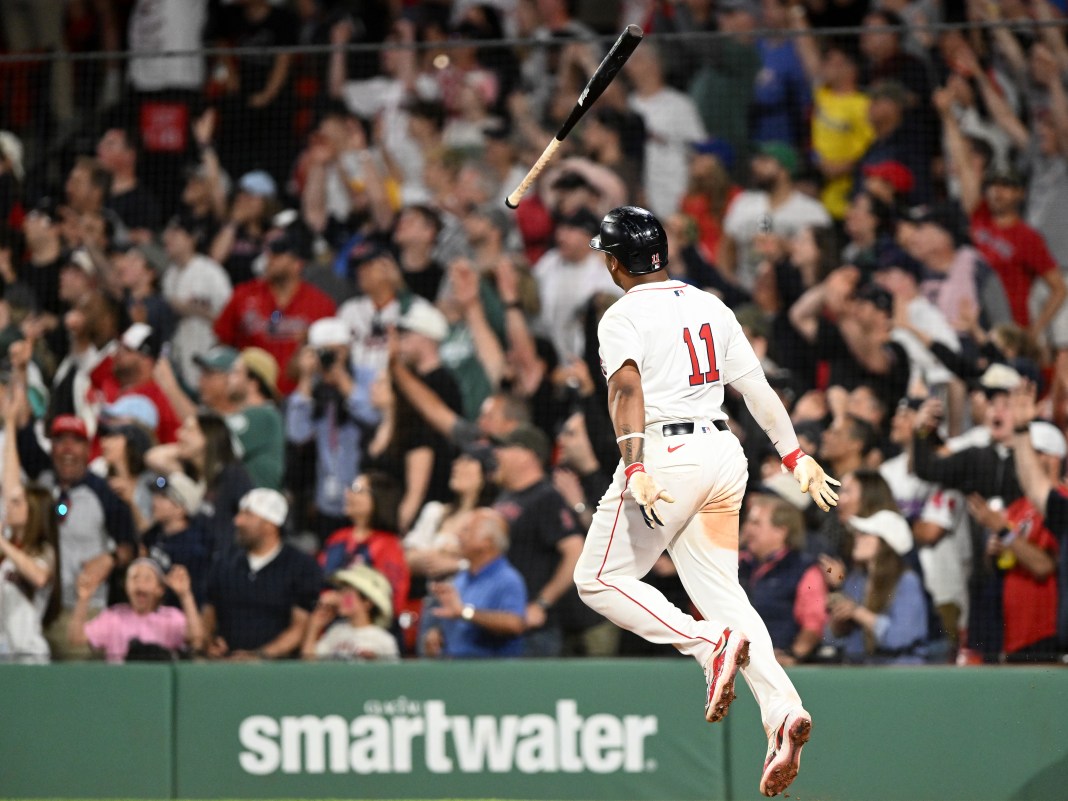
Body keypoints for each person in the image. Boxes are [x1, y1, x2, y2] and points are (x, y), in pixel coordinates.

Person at [573, 206, 840, 798]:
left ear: (615, 261)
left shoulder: (620, 314)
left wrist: (635, 463)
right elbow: (756, 388)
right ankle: (782, 711)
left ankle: (706, 644)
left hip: (666, 456)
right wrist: (794, 456)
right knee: (722, 594)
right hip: (724, 453)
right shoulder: (710, 302)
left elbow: (624, 388)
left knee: (596, 578)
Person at [202, 489, 322, 660]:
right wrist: (209, 643)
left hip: (277, 673)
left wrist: (259, 656)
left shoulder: (301, 566)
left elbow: (300, 627)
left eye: (247, 515)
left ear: (270, 524)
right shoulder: (223, 564)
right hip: (224, 667)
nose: (237, 521)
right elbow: (208, 614)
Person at [824, 510, 928, 665]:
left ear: (886, 543)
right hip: (864, 672)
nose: (857, 538)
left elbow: (900, 637)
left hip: (901, 673)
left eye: (865, 534)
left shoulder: (906, 581)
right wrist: (839, 624)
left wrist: (857, 612)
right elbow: (830, 639)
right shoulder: (857, 579)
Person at [0, 392, 59, 662]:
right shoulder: (10, 543)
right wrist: (9, 424)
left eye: (18, 504)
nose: (10, 506)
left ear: (33, 512)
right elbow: (11, 485)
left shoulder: (43, 550)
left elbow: (39, 577)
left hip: (30, 654)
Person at [421, 508, 527, 659]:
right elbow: (457, 620)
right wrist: (438, 635)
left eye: (467, 530)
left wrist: (465, 612)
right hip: (456, 672)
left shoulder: (508, 579)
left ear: (487, 541)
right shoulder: (461, 578)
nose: (459, 535)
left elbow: (514, 624)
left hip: (492, 676)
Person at [739, 494, 828, 665]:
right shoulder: (738, 563)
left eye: (756, 523)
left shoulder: (805, 570)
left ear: (781, 531)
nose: (747, 529)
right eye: (748, 522)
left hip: (777, 666)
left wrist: (793, 655)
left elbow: (813, 623)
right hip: (731, 662)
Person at [68, 558, 203, 663]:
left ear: (159, 589)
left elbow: (196, 638)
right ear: (126, 586)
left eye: (147, 578)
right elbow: (76, 638)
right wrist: (83, 599)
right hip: (121, 686)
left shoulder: (171, 617)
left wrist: (185, 596)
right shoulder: (114, 617)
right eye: (134, 578)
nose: (140, 584)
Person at [318, 471, 409, 621]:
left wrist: (341, 600)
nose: (348, 493)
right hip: (329, 627)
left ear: (378, 498)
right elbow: (319, 580)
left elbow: (391, 601)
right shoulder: (338, 537)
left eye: (356, 489)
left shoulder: (388, 545)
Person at [301, 564, 400, 661]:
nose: (340, 597)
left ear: (367, 603)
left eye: (347, 593)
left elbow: (393, 674)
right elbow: (310, 665)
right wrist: (314, 627)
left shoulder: (384, 640)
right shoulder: (336, 632)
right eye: (341, 591)